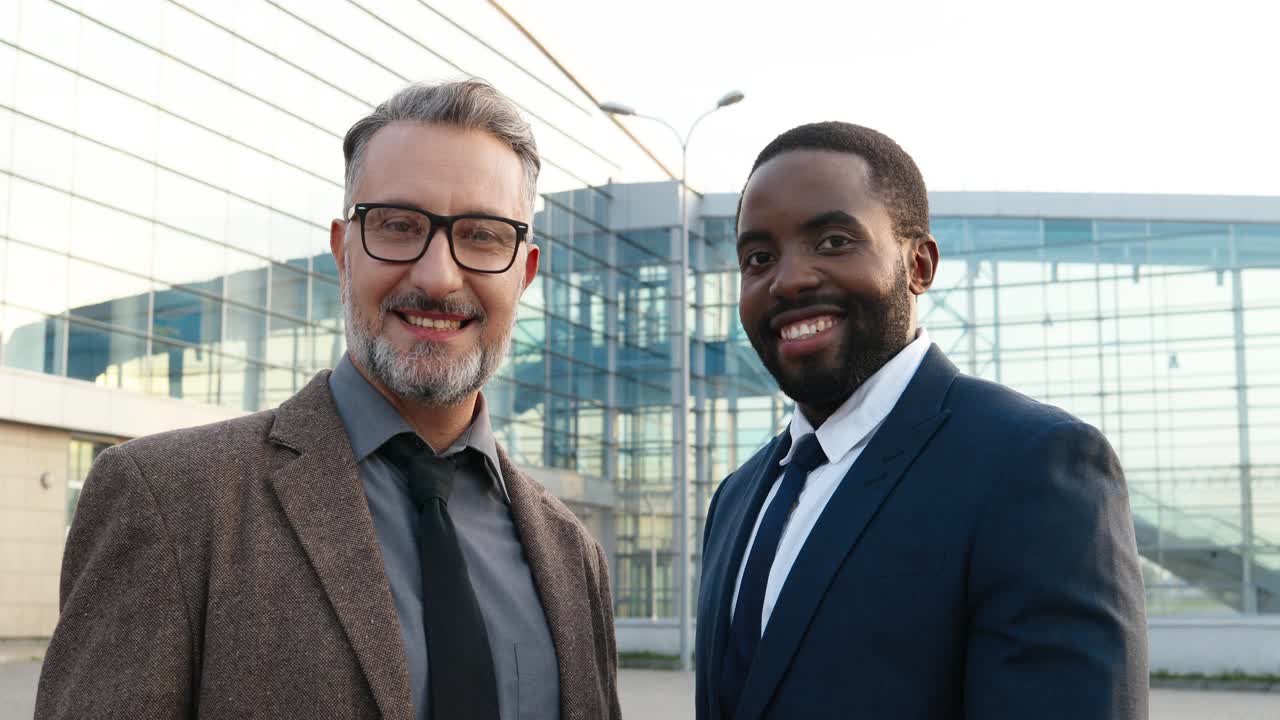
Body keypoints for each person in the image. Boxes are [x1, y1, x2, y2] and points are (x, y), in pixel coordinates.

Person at [37, 80, 621, 720]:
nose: (437, 276)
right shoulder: (170, 501)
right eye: (399, 226)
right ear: (344, 252)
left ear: (524, 273)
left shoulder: (572, 557)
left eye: (482, 236)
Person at [695, 121, 1148, 719]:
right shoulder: (735, 498)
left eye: (833, 241)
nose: (789, 279)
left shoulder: (1031, 465)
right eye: (758, 257)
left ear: (920, 265)